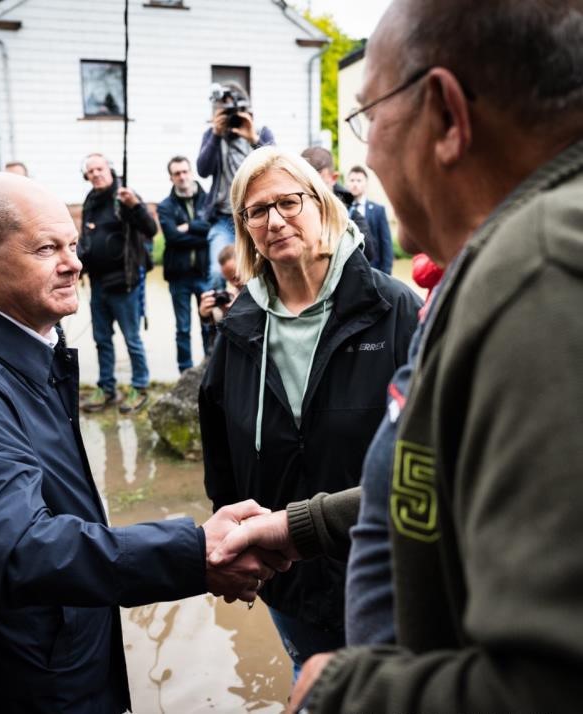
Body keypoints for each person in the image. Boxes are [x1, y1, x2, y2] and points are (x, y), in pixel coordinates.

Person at [212, 0, 583, 711]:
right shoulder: (495, 265)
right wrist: (297, 526)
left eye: (369, 115)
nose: (369, 152)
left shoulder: (542, 279)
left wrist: (346, 693)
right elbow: (435, 474)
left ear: (445, 116)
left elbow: (555, 679)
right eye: (256, 211)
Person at [0, 171, 290, 713]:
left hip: (59, 655)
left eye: (73, 245)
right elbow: (17, 547)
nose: (74, 264)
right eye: (47, 248)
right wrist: (193, 552)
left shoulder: (25, 348)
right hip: (16, 684)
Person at [199, 147, 421, 684]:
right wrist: (236, 552)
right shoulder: (239, 329)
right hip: (291, 582)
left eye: (289, 202)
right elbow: (223, 465)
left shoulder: (395, 311)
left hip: (387, 578)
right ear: (245, 228)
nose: (274, 220)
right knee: (312, 682)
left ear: (322, 204)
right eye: (257, 211)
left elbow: (437, 459)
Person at [77, 153, 156, 414]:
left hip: (125, 281)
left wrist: (134, 205)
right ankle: (107, 388)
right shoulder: (91, 200)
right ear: (86, 175)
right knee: (101, 339)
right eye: (90, 171)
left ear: (109, 169)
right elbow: (86, 238)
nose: (96, 174)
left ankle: (140, 387)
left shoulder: (125, 195)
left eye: (99, 168)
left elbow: (150, 229)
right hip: (98, 282)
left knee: (131, 338)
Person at [197, 82, 275, 289]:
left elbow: (276, 166)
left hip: (255, 215)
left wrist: (253, 139)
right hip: (223, 218)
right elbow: (203, 170)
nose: (229, 116)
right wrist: (215, 135)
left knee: (261, 271)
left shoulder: (260, 131)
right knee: (216, 273)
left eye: (232, 110)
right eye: (223, 111)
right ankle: (216, 320)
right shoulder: (212, 135)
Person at [156, 155, 211, 372]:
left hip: (205, 273)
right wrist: (201, 231)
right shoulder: (165, 206)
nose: (182, 177)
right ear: (171, 178)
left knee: (209, 324)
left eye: (185, 171)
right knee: (183, 328)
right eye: (177, 173)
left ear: (191, 172)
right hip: (179, 276)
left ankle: (210, 369)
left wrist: (187, 227)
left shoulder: (208, 200)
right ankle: (185, 372)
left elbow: (212, 231)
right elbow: (172, 237)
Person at [300, 146, 376, 265]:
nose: (313, 193)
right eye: (306, 185)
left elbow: (368, 253)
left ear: (334, 178)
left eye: (319, 185)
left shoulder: (350, 214)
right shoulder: (291, 214)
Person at [346, 165, 394, 274]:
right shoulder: (342, 209)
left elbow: (386, 244)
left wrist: (386, 275)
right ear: (347, 183)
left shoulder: (378, 210)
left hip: (373, 270)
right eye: (352, 180)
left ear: (365, 184)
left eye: (359, 181)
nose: (355, 184)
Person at [198, 244, 244, 329]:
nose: (235, 283)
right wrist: (204, 315)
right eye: (230, 280)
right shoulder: (232, 296)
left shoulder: (264, 287)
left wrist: (240, 307)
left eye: (236, 277)